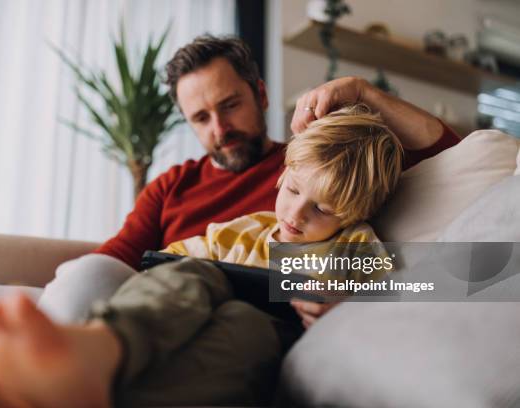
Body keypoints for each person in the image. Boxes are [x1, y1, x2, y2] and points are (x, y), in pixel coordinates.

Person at [0, 104, 404, 407]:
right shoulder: (243, 230)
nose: (296, 213)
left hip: (263, 338)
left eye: (321, 208)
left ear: (352, 213)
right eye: (293, 190)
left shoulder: (352, 244)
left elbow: (407, 287)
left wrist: (347, 305)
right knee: (194, 274)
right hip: (161, 324)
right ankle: (95, 352)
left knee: (247, 325)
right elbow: (159, 264)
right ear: (282, 176)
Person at [35, 34, 460, 326]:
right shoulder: (173, 185)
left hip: (251, 322)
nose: (219, 128)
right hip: (165, 306)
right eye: (201, 118)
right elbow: (120, 259)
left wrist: (363, 92)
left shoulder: (320, 170)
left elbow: (451, 156)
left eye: (230, 105)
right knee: (85, 275)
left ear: (260, 94)